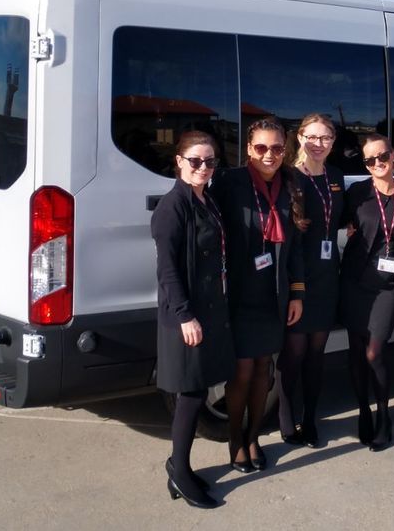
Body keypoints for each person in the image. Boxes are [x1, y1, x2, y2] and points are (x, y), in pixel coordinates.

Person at [211, 118, 307, 473]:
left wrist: (296, 293)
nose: (269, 155)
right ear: (249, 149)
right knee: (241, 372)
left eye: (277, 148)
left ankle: (253, 438)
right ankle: (236, 440)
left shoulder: (291, 185)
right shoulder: (228, 182)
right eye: (262, 148)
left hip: (273, 294)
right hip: (238, 294)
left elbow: (295, 246)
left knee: (264, 371)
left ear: (286, 150)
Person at [151, 131, 235, 509]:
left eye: (210, 161)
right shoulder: (173, 207)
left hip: (209, 308)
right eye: (196, 161)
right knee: (189, 394)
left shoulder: (207, 199)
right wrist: (185, 315)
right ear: (179, 162)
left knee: (197, 390)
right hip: (186, 314)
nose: (204, 167)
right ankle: (179, 470)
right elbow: (167, 269)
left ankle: (179, 466)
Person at [338, 134, 394, 451]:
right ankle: (363, 411)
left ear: (393, 155)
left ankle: (384, 415)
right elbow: (336, 219)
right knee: (357, 354)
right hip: (356, 282)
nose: (377, 164)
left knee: (374, 352)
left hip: (390, 286)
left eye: (382, 156)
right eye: (370, 160)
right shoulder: (357, 193)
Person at [278, 114, 344, 449]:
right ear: (299, 137)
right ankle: (287, 418)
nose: (319, 144)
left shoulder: (335, 176)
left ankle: (310, 419)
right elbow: (290, 241)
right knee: (294, 353)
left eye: (326, 137)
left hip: (328, 276)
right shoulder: (290, 177)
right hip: (299, 277)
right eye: (313, 137)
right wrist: (296, 288)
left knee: (317, 354)